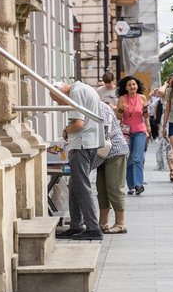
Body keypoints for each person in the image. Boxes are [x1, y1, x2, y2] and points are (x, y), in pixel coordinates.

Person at [51, 80, 105, 240]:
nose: (60, 104)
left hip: (82, 144)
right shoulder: (84, 88)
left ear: (61, 92)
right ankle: (76, 225)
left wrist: (65, 130)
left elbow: (78, 123)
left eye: (58, 100)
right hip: (89, 143)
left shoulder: (76, 92)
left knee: (81, 186)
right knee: (74, 185)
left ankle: (93, 228)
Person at [93, 103, 129, 234]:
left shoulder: (100, 108)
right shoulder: (90, 106)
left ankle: (120, 224)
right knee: (101, 188)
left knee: (114, 187)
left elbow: (105, 131)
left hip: (115, 150)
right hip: (102, 153)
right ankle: (103, 223)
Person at [116, 75, 150, 196]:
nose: (132, 86)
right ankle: (131, 186)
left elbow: (145, 116)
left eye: (134, 84)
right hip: (126, 133)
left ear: (137, 86)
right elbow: (118, 118)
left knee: (137, 158)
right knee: (129, 160)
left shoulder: (142, 98)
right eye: (129, 85)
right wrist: (121, 110)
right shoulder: (122, 98)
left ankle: (139, 184)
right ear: (125, 87)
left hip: (140, 131)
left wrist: (146, 111)